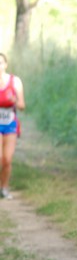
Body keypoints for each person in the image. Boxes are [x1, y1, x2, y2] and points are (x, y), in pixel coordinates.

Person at [0, 53, 25, 199]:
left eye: (1, 63)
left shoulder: (15, 81)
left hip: (10, 124)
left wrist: (14, 100)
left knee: (7, 159)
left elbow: (22, 105)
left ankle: (4, 188)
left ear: (6, 64)